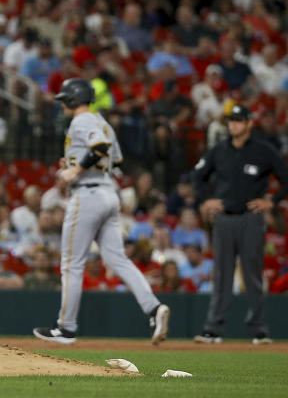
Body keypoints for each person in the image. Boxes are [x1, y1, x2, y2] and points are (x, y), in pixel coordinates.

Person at [33, 78, 170, 345]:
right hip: (109, 192)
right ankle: (154, 308)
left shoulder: (81, 121)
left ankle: (66, 327)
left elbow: (100, 148)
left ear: (73, 100)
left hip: (88, 195)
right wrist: (74, 160)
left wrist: (75, 169)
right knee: (118, 260)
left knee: (71, 264)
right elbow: (114, 158)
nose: (62, 105)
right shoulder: (102, 121)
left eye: (65, 101)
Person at [190, 104, 288, 345]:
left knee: (252, 274)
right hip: (224, 218)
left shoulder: (263, 150)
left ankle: (259, 329)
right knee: (221, 274)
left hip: (249, 218)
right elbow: (197, 177)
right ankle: (213, 329)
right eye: (230, 121)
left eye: (237, 120)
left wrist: (272, 202)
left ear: (248, 123)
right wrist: (205, 200)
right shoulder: (219, 150)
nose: (233, 125)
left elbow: (286, 178)